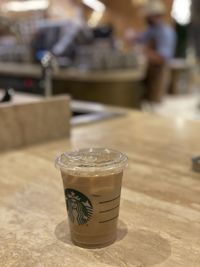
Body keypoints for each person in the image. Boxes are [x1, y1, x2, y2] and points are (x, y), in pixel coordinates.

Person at [128, 0, 176, 102]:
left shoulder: (165, 33)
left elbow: (161, 58)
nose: (146, 18)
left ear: (156, 15)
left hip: (159, 73)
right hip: (149, 71)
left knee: (154, 102)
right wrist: (133, 37)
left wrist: (143, 50)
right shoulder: (151, 29)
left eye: (148, 16)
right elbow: (141, 38)